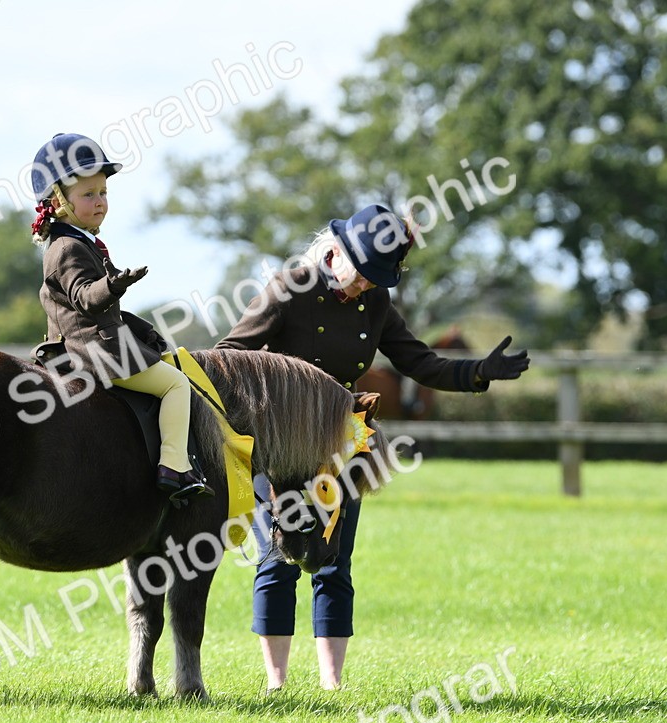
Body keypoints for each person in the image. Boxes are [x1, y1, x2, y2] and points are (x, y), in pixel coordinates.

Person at [217, 204, 530, 691]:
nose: (365, 285)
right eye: (361, 274)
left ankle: (332, 685)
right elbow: (229, 356)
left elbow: (419, 362)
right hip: (279, 444)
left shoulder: (376, 302)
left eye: (375, 278)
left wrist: (477, 372)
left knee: (334, 561)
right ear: (334, 251)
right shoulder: (288, 288)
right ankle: (276, 683)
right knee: (278, 559)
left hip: (341, 442)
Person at [30, 133, 212, 502]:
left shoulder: (78, 241)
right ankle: (175, 466)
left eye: (103, 193)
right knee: (177, 385)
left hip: (87, 345)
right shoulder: (67, 248)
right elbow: (86, 299)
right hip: (94, 352)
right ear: (58, 201)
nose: (100, 202)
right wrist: (112, 285)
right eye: (88, 194)